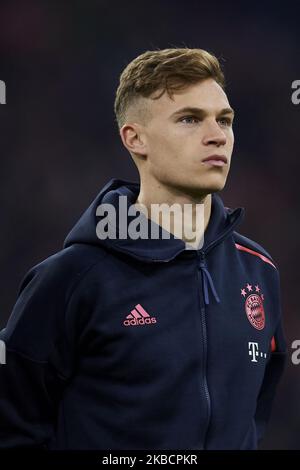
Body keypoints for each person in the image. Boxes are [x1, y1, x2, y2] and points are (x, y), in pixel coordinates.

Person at [0, 47, 286, 450]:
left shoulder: (259, 271)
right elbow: (15, 424)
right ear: (135, 138)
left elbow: (254, 417)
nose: (217, 135)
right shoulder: (73, 278)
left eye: (224, 120)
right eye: (190, 119)